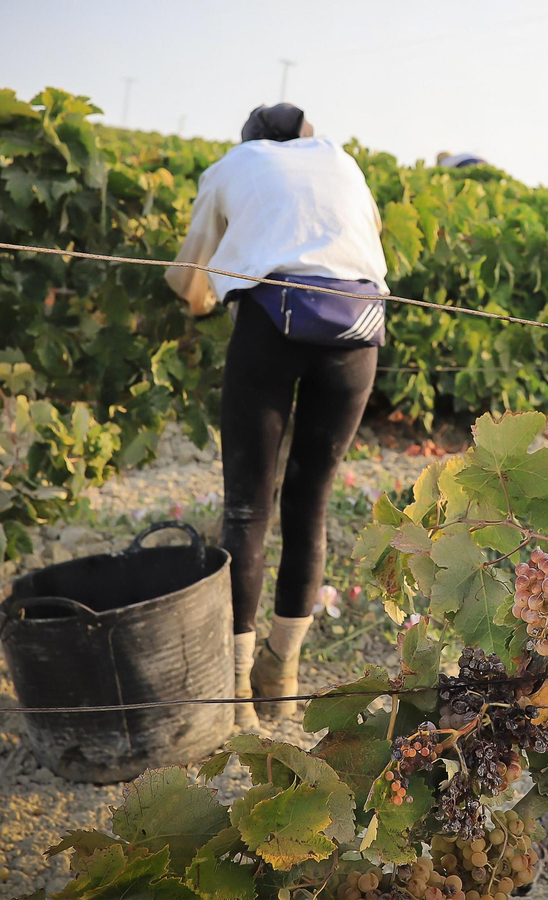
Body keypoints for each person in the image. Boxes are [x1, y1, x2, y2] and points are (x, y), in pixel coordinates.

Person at [167, 103, 390, 730]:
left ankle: (237, 692)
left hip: (272, 323)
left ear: (252, 139)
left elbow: (190, 277)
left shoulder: (235, 164)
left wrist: (199, 304)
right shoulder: (342, 162)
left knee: (246, 509)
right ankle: (282, 674)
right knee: (310, 502)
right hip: (358, 326)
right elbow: (367, 238)